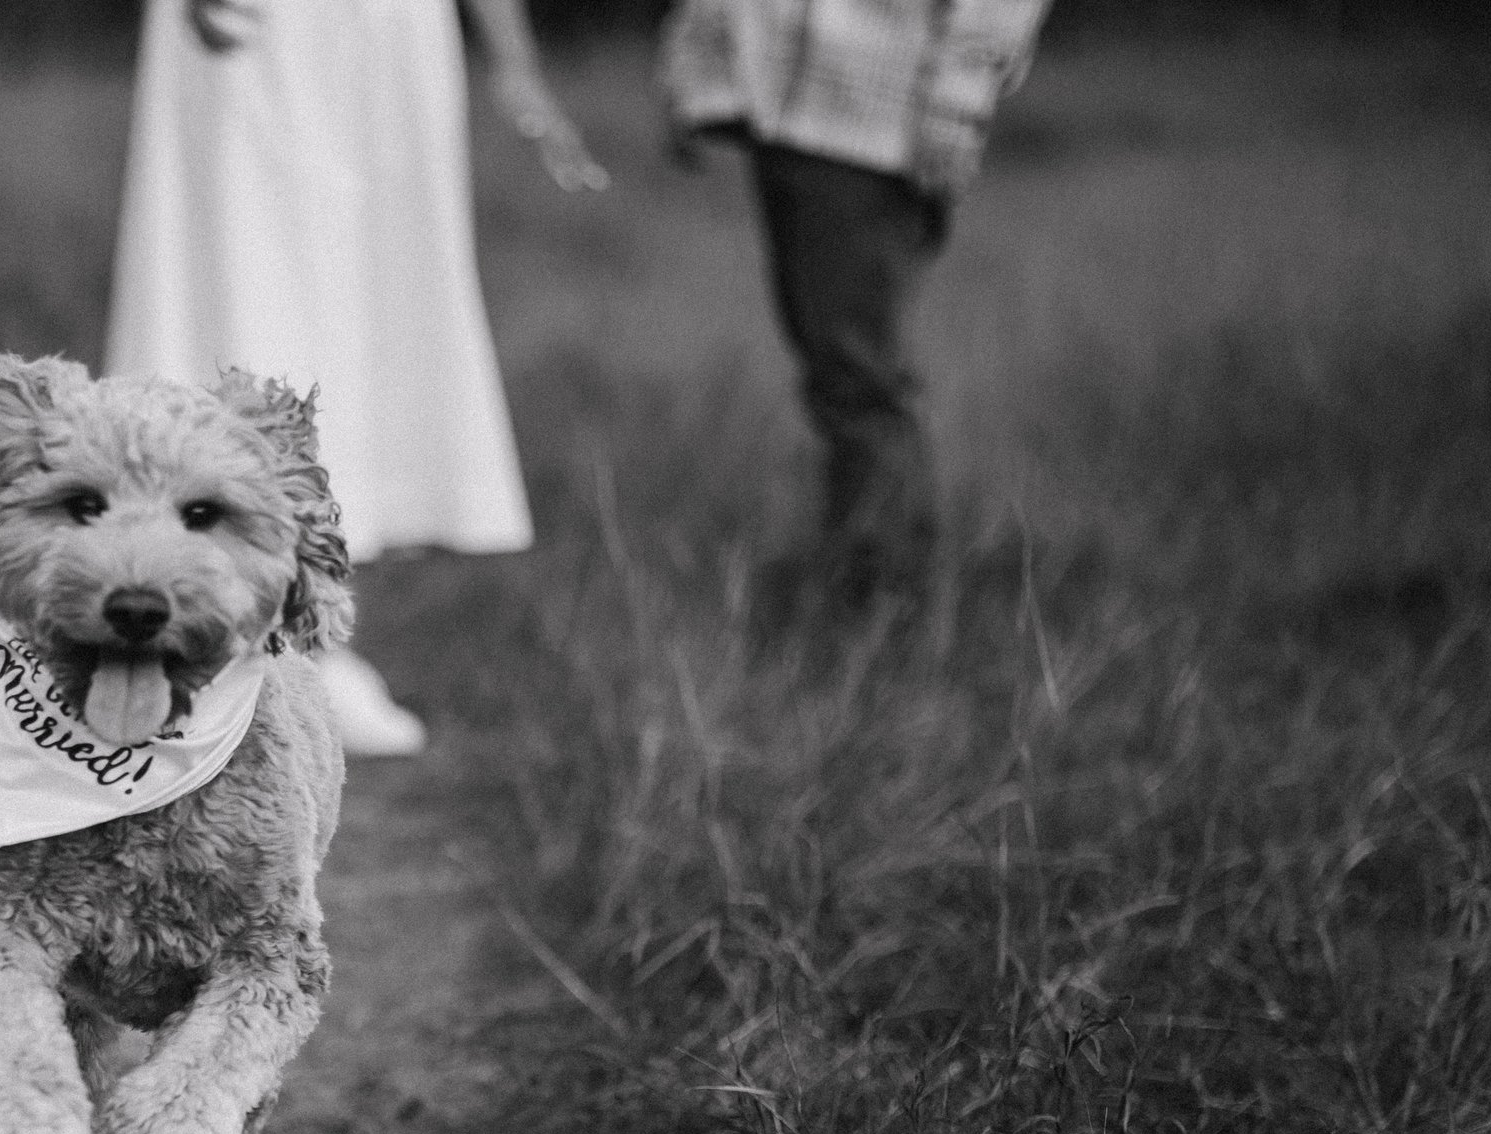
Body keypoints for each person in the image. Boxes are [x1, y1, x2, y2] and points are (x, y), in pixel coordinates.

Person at [107, 0, 605, 757]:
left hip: (382, 34)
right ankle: (181, 614)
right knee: (236, 281)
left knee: (370, 298)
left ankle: (308, 633)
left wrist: (514, 61)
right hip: (252, 29)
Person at [657, 0, 1053, 614]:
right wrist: (699, 65)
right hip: (783, 105)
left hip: (877, 116)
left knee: (858, 379)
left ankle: (885, 603)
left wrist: (959, 96)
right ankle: (868, 584)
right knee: (837, 369)